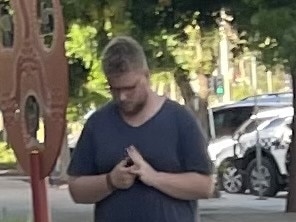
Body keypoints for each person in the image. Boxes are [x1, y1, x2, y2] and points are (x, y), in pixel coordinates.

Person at [67, 36, 213, 222]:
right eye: (114, 89)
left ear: (146, 75)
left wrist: (154, 177)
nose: (122, 97)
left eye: (130, 87)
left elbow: (205, 186)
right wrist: (110, 181)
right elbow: (76, 189)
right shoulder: (98, 124)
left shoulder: (179, 120)